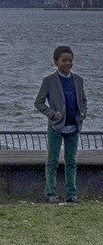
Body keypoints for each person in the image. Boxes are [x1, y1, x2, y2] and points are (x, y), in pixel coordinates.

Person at [34, 45, 87, 202]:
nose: (67, 63)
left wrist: (83, 112)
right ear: (56, 62)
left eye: (70, 60)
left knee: (71, 161)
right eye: (64, 60)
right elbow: (39, 103)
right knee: (52, 161)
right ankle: (50, 194)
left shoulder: (78, 80)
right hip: (56, 127)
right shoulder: (49, 81)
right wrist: (52, 114)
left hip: (73, 127)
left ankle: (71, 194)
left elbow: (83, 100)